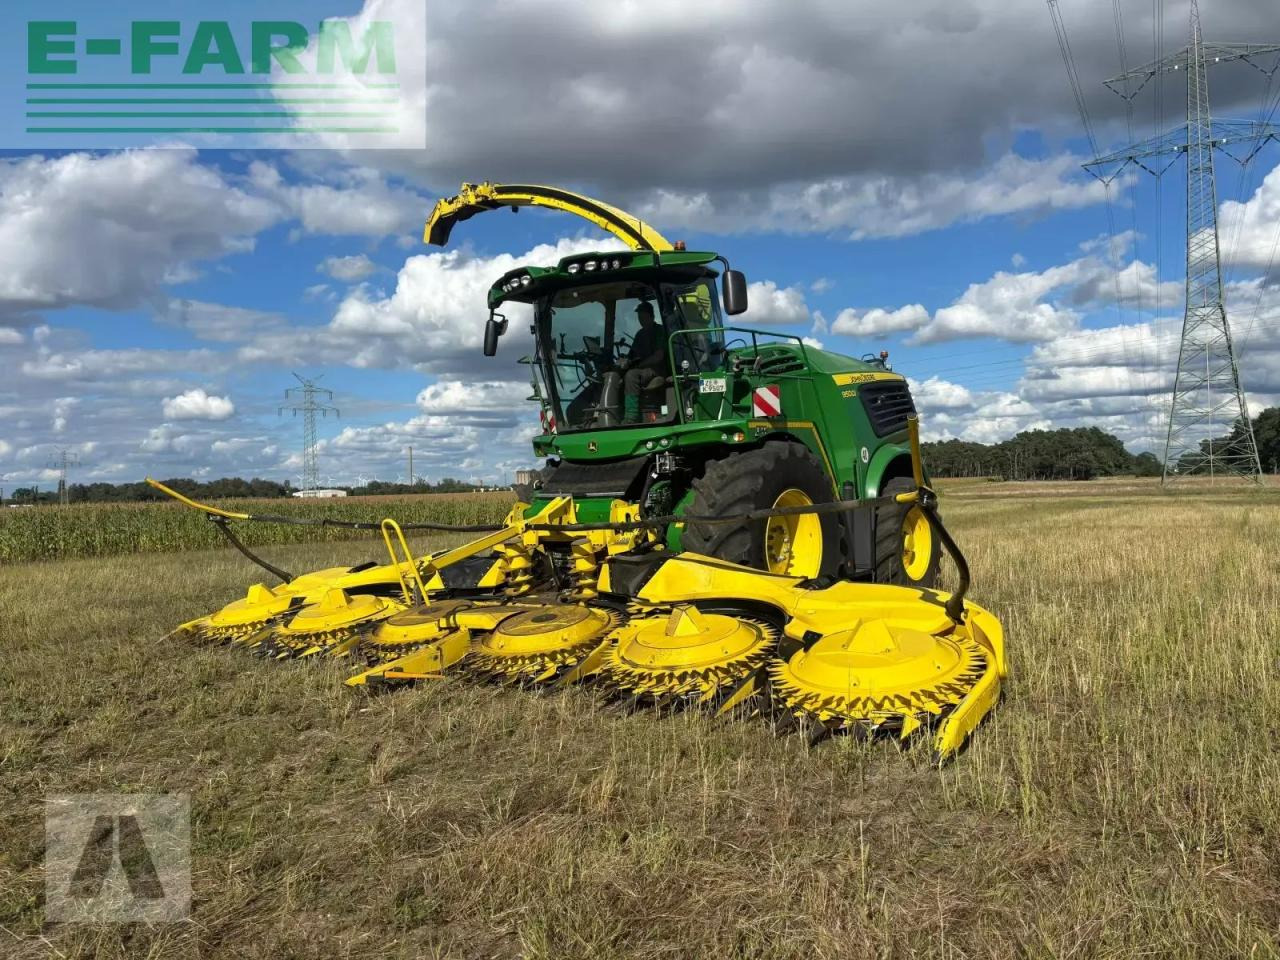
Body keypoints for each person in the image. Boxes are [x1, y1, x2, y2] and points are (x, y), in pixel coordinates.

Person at [619, 301, 667, 424]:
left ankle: (631, 416)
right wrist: (624, 361)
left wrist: (639, 365)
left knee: (631, 376)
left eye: (643, 317)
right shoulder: (640, 334)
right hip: (643, 369)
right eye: (639, 317)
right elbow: (632, 355)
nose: (641, 320)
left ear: (651, 316)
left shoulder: (659, 331)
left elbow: (658, 356)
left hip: (657, 369)